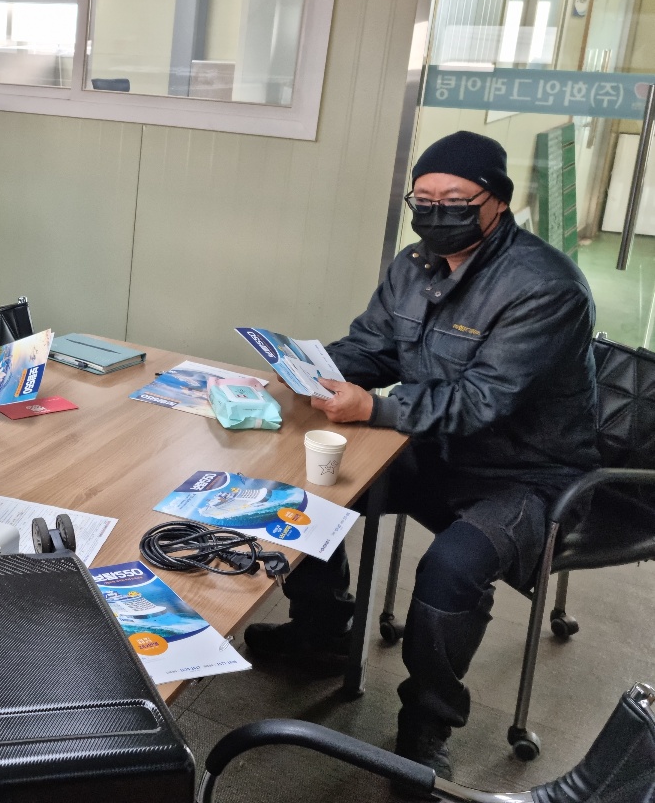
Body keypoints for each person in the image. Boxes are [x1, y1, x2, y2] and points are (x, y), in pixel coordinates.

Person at [244, 131, 598, 781]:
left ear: (496, 202)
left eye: (454, 200)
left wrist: (373, 409)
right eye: (423, 199)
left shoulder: (546, 287)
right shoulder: (414, 264)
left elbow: (483, 400)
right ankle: (321, 633)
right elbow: (373, 345)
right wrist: (308, 374)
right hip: (431, 446)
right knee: (304, 492)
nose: (436, 213)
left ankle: (427, 722)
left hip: (525, 472)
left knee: (449, 570)